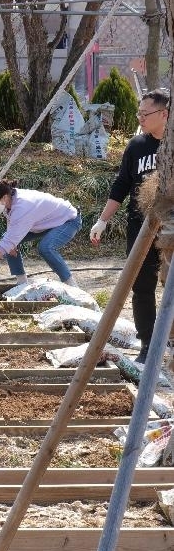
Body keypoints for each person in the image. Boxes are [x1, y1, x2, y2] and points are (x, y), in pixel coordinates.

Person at [90, 88, 170, 363]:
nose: (140, 117)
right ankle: (147, 343)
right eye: (139, 113)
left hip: (171, 225)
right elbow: (122, 185)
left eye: (145, 113)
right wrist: (103, 220)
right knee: (141, 285)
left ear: (164, 114)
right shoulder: (137, 146)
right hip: (142, 226)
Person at [0, 177, 82, 286]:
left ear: (4, 197)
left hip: (67, 220)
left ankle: (71, 285)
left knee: (46, 248)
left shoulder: (23, 207)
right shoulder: (10, 198)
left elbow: (7, 242)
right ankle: (22, 283)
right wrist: (11, 243)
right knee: (8, 242)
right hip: (45, 222)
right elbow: (10, 220)